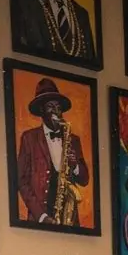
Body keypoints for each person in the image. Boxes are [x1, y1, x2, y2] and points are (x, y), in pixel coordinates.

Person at [16, 77, 90, 226]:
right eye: (50, 106)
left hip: (68, 218)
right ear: (42, 110)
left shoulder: (73, 139)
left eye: (58, 107)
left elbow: (84, 179)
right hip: (40, 218)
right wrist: (42, 217)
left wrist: (75, 165)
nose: (56, 111)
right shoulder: (29, 138)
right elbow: (21, 181)